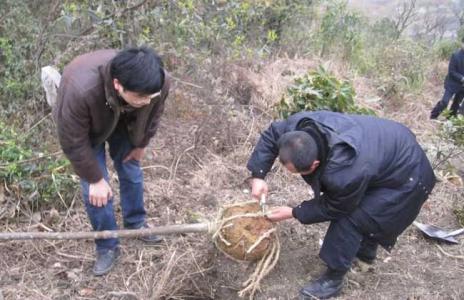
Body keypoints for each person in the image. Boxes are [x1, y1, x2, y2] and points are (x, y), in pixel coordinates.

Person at [247, 111, 436, 299]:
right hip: (385, 151)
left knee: (354, 218)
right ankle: (364, 253)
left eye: (296, 172)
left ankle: (333, 280)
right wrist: (258, 175)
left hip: (409, 176)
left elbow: (336, 206)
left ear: (314, 164)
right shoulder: (298, 128)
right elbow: (272, 134)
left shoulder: (344, 172)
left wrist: (295, 212)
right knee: (362, 205)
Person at [53, 47, 170, 276]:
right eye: (140, 97)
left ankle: (136, 224)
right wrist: (95, 178)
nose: (147, 101)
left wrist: (141, 144)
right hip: (90, 126)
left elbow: (155, 113)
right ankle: (107, 245)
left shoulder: (158, 82)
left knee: (131, 168)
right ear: (118, 84)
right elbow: (72, 141)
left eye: (150, 97)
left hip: (125, 120)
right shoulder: (79, 89)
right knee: (96, 191)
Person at [430, 37, 464, 119]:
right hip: (452, 84)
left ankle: (450, 120)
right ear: (462, 43)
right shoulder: (455, 55)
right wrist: (462, 78)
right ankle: (433, 116)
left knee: (456, 104)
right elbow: (451, 71)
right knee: (445, 102)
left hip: (462, 87)